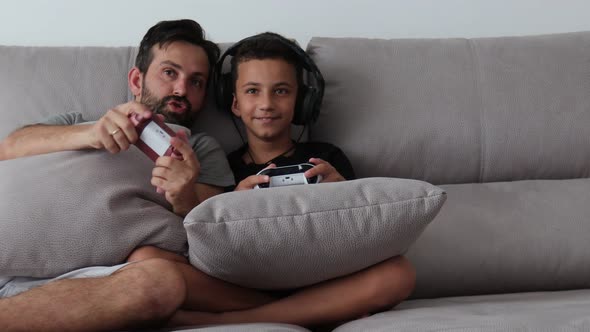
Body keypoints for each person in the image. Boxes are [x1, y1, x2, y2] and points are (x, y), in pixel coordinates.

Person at [0, 19, 276, 331]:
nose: (181, 89)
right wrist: (89, 133)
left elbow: (213, 222)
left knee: (156, 283)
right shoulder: (81, 121)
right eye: (170, 73)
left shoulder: (199, 148)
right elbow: (9, 147)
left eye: (196, 82)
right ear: (136, 79)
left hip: (82, 286)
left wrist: (183, 195)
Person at [130, 32, 417, 330]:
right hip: (248, 285)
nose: (266, 104)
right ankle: (318, 310)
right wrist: (234, 203)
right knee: (146, 259)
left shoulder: (327, 157)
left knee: (399, 273)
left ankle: (243, 320)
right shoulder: (223, 168)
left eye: (281, 91)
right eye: (253, 91)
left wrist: (344, 190)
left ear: (302, 101)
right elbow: (205, 244)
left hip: (325, 275)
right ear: (235, 103)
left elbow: (365, 235)